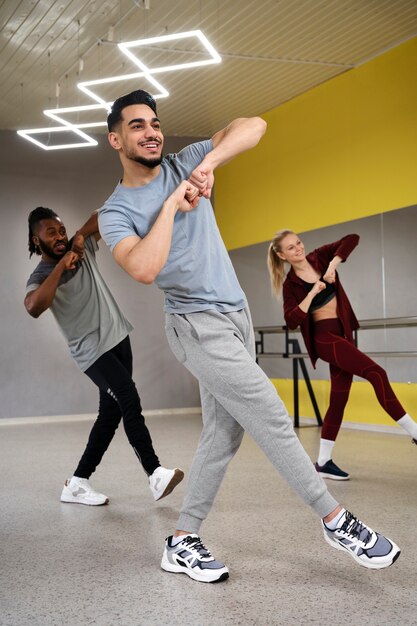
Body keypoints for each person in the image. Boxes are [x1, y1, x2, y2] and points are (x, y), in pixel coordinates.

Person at [98, 89, 401, 583]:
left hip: (236, 317)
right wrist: (175, 205)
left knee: (224, 433)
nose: (151, 132)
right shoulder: (115, 211)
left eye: (154, 123)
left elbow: (253, 126)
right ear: (116, 139)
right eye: (137, 125)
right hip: (197, 325)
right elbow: (145, 268)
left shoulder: (184, 161)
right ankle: (335, 520)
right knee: (271, 414)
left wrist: (208, 165)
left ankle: (181, 541)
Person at [25, 207, 184, 506]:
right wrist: (62, 266)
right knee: (128, 397)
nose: (59, 237)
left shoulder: (78, 246)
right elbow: (34, 306)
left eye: (61, 230)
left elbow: (102, 212)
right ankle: (154, 473)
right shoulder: (42, 275)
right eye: (51, 234)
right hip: (92, 351)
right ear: (36, 241)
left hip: (118, 338)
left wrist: (79, 238)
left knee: (109, 415)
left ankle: (76, 483)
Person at [267, 230, 417, 480]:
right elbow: (291, 320)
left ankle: (324, 462)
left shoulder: (320, 258)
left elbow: (352, 238)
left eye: (299, 243)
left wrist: (333, 265)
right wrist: (312, 293)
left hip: (344, 335)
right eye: (291, 248)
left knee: (339, 398)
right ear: (282, 256)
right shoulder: (291, 285)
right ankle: (414, 431)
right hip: (324, 339)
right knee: (376, 373)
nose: (298, 249)